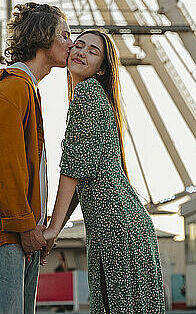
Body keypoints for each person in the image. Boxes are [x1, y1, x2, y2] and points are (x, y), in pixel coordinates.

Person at [0, 2, 74, 314]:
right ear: (44, 38)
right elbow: (1, 168)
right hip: (1, 234)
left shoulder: (24, 91)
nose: (71, 44)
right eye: (65, 34)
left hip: (17, 232)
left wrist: (35, 226)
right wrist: (25, 225)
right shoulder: (8, 91)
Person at [42, 30, 165, 313]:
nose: (82, 52)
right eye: (79, 45)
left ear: (102, 68)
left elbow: (72, 170)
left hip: (115, 225)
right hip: (120, 224)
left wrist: (50, 232)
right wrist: (55, 229)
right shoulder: (98, 98)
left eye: (93, 52)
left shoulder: (86, 94)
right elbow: (81, 175)